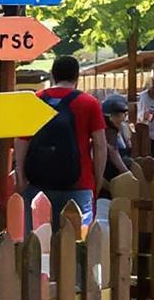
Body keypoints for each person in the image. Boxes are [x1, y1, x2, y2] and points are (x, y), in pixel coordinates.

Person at [19, 54, 107, 221]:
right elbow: (100, 145)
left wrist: (21, 176)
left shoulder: (35, 101)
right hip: (80, 183)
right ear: (77, 76)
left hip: (38, 182)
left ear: (52, 74)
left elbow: (22, 141)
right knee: (78, 242)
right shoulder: (89, 103)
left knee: (38, 241)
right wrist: (97, 179)